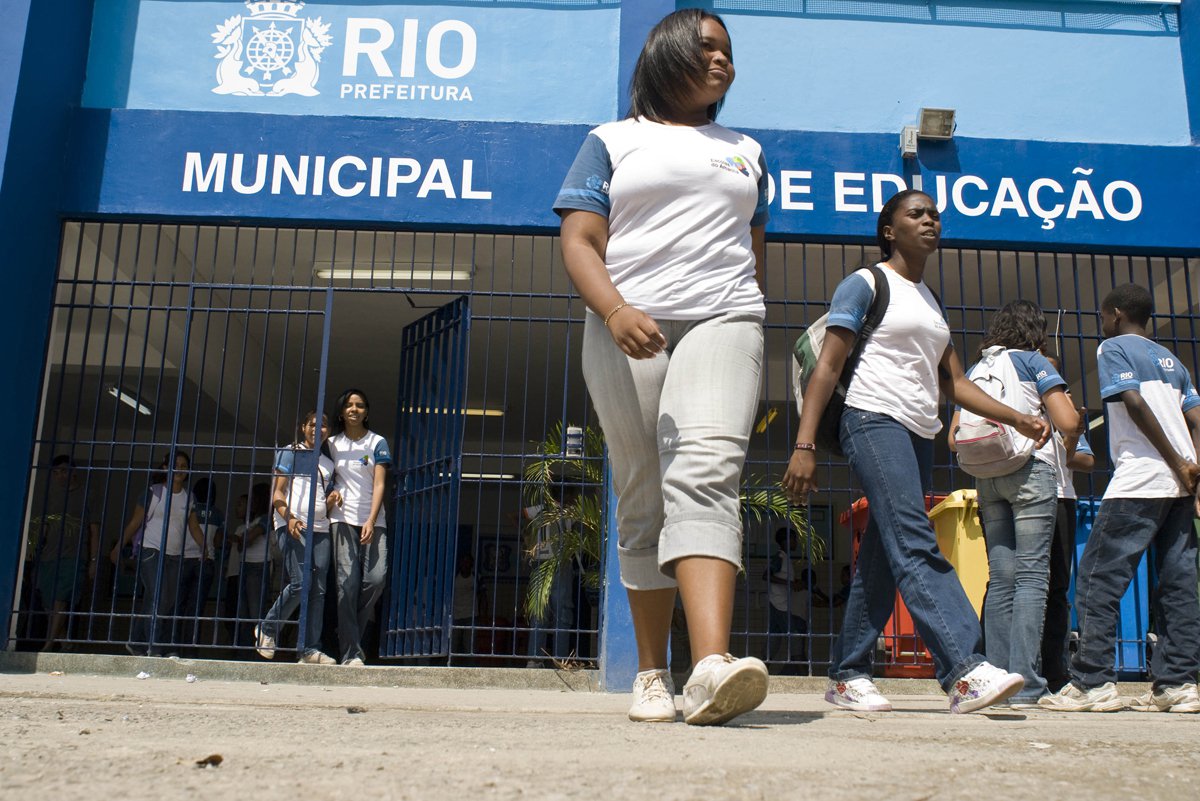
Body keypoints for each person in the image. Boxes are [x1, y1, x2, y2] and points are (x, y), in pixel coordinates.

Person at [554, 8, 771, 725]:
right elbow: (582, 239)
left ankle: (710, 666)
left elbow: (750, 245)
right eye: (707, 47)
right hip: (628, 323)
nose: (723, 62)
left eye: (729, 53)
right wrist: (615, 310)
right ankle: (653, 670)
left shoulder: (747, 149)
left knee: (706, 468)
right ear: (668, 53)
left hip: (724, 314)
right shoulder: (612, 141)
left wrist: (747, 310)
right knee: (644, 488)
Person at [780, 189, 1051, 714]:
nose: (930, 221)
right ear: (889, 230)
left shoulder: (930, 300)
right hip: (872, 418)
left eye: (934, 215)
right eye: (916, 214)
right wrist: (804, 443)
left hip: (918, 430)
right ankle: (965, 669)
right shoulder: (866, 283)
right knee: (914, 539)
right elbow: (828, 367)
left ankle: (846, 673)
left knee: (885, 555)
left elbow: (952, 381)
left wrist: (1014, 415)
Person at [1040, 284, 1200, 713]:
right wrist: (1191, 467)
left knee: (1096, 578)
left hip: (1140, 481)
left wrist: (1171, 458)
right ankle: (1178, 685)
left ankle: (1093, 682)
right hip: (1180, 487)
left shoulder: (1113, 349)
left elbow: (1131, 401)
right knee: (1179, 584)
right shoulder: (1173, 361)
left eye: (1100, 318)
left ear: (1113, 315)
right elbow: (1196, 418)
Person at [947, 301, 1080, 707]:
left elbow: (954, 436)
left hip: (988, 478)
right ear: (1035, 331)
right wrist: (1065, 442)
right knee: (1032, 578)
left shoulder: (976, 371)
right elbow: (1070, 421)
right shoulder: (1034, 362)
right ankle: (1027, 683)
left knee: (1001, 578)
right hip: (1030, 472)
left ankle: (998, 682)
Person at [257, 412, 338, 665]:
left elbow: (323, 500)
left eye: (323, 425)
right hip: (292, 525)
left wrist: (332, 500)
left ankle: (309, 650)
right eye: (313, 424)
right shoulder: (290, 452)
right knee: (301, 583)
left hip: (321, 528)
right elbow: (278, 492)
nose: (318, 428)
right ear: (303, 427)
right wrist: (289, 517)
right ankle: (267, 629)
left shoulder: (328, 463)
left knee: (319, 590)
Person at [112, 452, 205, 656]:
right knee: (158, 596)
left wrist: (204, 547)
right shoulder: (153, 492)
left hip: (174, 556)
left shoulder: (189, 497)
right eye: (175, 465)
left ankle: (136, 642)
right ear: (165, 468)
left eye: (183, 466)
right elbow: (136, 521)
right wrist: (120, 546)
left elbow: (194, 526)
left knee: (162, 600)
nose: (179, 469)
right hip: (151, 550)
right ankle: (155, 647)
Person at [327, 388, 392, 666]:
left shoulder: (377, 442)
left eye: (360, 405)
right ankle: (351, 652)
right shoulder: (330, 444)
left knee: (376, 580)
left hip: (373, 520)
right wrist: (331, 494)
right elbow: (323, 478)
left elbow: (379, 484)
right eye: (349, 405)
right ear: (341, 411)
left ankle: (348, 627)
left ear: (367, 411)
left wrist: (371, 519)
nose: (354, 409)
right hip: (341, 519)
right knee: (346, 585)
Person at [1041, 368, 1094, 694]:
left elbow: (1086, 461)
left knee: (1058, 590)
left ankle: (1054, 672)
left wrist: (1071, 432)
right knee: (1009, 584)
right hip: (1025, 495)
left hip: (1062, 497)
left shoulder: (1065, 413)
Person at [29, 455, 99, 651]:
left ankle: (49, 644)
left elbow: (94, 530)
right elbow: (42, 526)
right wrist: (33, 549)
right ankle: (64, 639)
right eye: (56, 472)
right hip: (48, 555)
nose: (60, 475)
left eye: (64, 471)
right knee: (47, 600)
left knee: (61, 598)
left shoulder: (87, 495)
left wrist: (93, 560)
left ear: (73, 472)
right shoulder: (50, 496)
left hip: (74, 555)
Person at [765, 527, 827, 672]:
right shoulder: (780, 557)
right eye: (794, 539)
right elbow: (767, 575)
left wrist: (795, 583)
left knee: (773, 642)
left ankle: (759, 671)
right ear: (786, 541)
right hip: (780, 605)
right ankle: (806, 678)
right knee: (796, 641)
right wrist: (791, 584)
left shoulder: (786, 559)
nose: (796, 542)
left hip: (778, 604)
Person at [176, 476, 223, 653]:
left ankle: (173, 645)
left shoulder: (189, 509)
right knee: (196, 609)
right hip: (206, 560)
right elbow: (218, 541)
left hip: (184, 558)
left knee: (177, 605)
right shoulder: (217, 514)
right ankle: (190, 648)